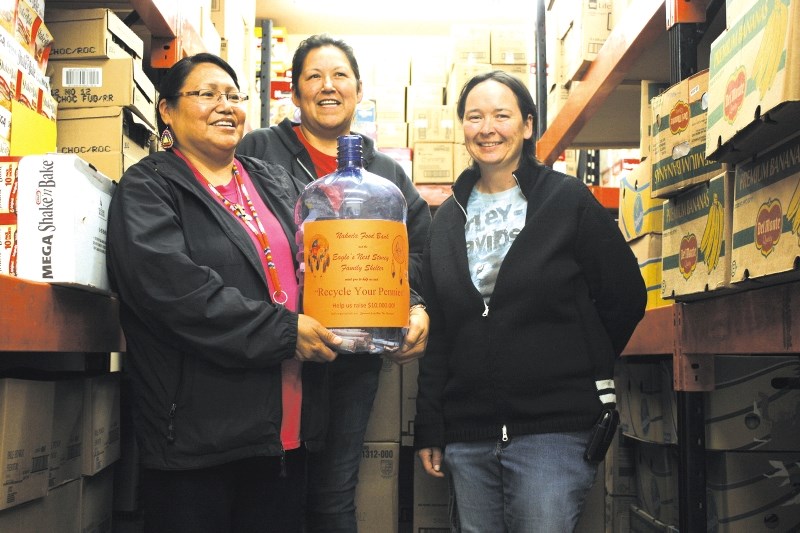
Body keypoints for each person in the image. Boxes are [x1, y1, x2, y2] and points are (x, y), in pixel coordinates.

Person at [106, 52, 348, 533]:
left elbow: (317, 263)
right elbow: (177, 296)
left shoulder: (270, 180)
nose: (225, 105)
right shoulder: (149, 187)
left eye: (234, 96)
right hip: (198, 441)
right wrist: (284, 332)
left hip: (285, 433)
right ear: (167, 111)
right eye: (207, 94)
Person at [414, 70, 647, 533]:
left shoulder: (566, 201)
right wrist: (431, 427)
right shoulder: (446, 221)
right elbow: (439, 333)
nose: (487, 128)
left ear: (526, 124)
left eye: (502, 115)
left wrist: (581, 362)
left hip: (554, 432)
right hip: (470, 433)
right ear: (462, 127)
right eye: (475, 116)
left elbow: (624, 295)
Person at [237, 34, 432, 532]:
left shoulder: (387, 172)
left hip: (355, 357)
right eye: (314, 77)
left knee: (333, 493)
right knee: (270, 490)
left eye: (340, 75)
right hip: (274, 350)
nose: (328, 86)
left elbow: (420, 251)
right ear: (295, 92)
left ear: (358, 90)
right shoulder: (257, 150)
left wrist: (416, 307)